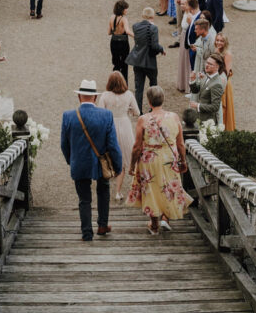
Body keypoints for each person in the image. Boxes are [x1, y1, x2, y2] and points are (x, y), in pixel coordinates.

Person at [60, 79, 122, 241]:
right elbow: (113, 145)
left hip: (79, 162)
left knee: (84, 199)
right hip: (101, 163)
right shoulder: (106, 115)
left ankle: (87, 232)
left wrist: (71, 160)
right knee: (103, 191)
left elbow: (64, 145)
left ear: (79, 96)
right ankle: (102, 225)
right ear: (94, 98)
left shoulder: (68, 116)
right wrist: (117, 165)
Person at [127, 85, 193, 234]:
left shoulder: (143, 119)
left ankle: (155, 225)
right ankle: (165, 218)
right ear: (163, 99)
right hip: (169, 158)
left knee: (152, 189)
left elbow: (137, 146)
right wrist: (183, 161)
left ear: (149, 101)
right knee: (167, 187)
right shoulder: (174, 117)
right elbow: (181, 144)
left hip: (150, 159)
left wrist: (132, 165)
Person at [98, 71, 140, 203]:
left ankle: (109, 177)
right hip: (124, 125)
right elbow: (137, 112)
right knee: (124, 156)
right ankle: (118, 192)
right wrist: (128, 111)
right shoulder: (128, 95)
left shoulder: (105, 96)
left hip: (110, 125)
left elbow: (100, 113)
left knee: (110, 154)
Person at [125, 7, 164, 112]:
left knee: (139, 87)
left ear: (143, 16)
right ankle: (154, 108)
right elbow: (155, 45)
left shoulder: (135, 26)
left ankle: (138, 110)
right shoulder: (153, 28)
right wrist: (161, 49)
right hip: (149, 60)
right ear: (152, 16)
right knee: (153, 85)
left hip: (137, 60)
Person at [176, 0, 199, 91]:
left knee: (187, 61)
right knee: (182, 60)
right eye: (181, 4)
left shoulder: (190, 15)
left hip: (187, 38)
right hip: (183, 37)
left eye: (184, 4)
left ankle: (188, 85)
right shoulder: (184, 13)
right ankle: (182, 83)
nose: (182, 6)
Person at [214, 33, 236, 131]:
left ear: (225, 42)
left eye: (221, 41)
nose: (219, 42)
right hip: (215, 80)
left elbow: (226, 72)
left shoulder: (227, 54)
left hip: (224, 83)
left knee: (224, 107)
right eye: (217, 40)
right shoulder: (216, 50)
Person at [108, 0, 133, 80]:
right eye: (126, 8)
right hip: (123, 43)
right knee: (124, 64)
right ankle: (124, 84)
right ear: (122, 9)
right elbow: (127, 31)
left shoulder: (112, 17)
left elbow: (109, 32)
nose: (127, 10)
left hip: (114, 42)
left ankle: (114, 81)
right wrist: (136, 36)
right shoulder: (123, 19)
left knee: (116, 63)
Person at [190, 18, 216, 82]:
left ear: (203, 30)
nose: (194, 31)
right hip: (200, 70)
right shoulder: (201, 38)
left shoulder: (212, 42)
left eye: (196, 29)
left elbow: (213, 58)